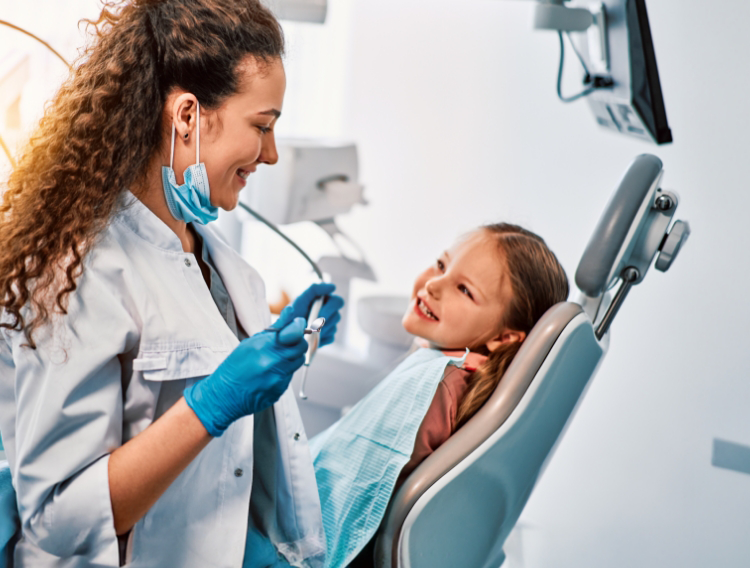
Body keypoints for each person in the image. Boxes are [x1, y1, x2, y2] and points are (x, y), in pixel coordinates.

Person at [0, 0, 344, 565]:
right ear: (187, 116)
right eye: (261, 126)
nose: (273, 153)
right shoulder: (74, 271)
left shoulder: (210, 254)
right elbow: (56, 521)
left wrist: (278, 348)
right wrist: (209, 405)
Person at [311, 224, 568, 568]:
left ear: (505, 339)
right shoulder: (447, 371)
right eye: (442, 265)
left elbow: (360, 486)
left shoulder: (436, 384)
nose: (434, 284)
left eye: (464, 289)